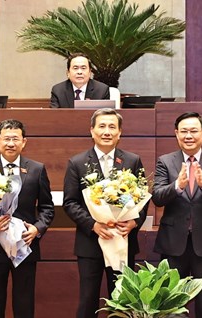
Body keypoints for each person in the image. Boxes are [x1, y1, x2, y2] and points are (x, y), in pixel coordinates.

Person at [63, 108, 148, 317]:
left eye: (112, 127)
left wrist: (133, 222)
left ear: (120, 133)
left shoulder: (132, 160)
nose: (107, 131)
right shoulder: (77, 162)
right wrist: (94, 225)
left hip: (122, 241)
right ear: (92, 131)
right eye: (101, 126)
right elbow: (70, 202)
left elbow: (143, 199)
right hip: (90, 243)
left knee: (123, 300)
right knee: (88, 300)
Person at [152, 112, 202, 318]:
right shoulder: (165, 161)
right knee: (171, 303)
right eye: (184, 131)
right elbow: (157, 197)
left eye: (193, 131)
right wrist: (177, 187)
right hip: (173, 244)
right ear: (176, 134)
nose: (188, 135)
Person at [0, 119, 54, 318]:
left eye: (15, 139)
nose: (10, 143)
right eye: (6, 139)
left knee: (24, 304)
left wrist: (37, 228)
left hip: (25, 245)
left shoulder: (36, 169)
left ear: (24, 142)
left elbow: (47, 207)